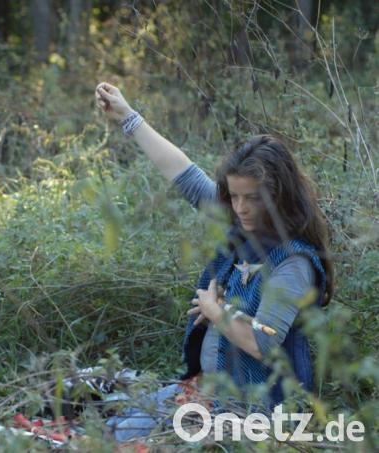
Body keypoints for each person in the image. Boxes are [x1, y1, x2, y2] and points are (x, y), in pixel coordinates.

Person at [94, 82, 333, 440]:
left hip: (254, 413)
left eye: (252, 198)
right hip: (208, 390)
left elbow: (262, 342)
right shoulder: (239, 227)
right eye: (234, 196)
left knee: (127, 437)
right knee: (109, 426)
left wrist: (215, 310)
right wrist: (128, 116)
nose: (240, 208)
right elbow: (184, 174)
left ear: (278, 195)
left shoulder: (293, 263)